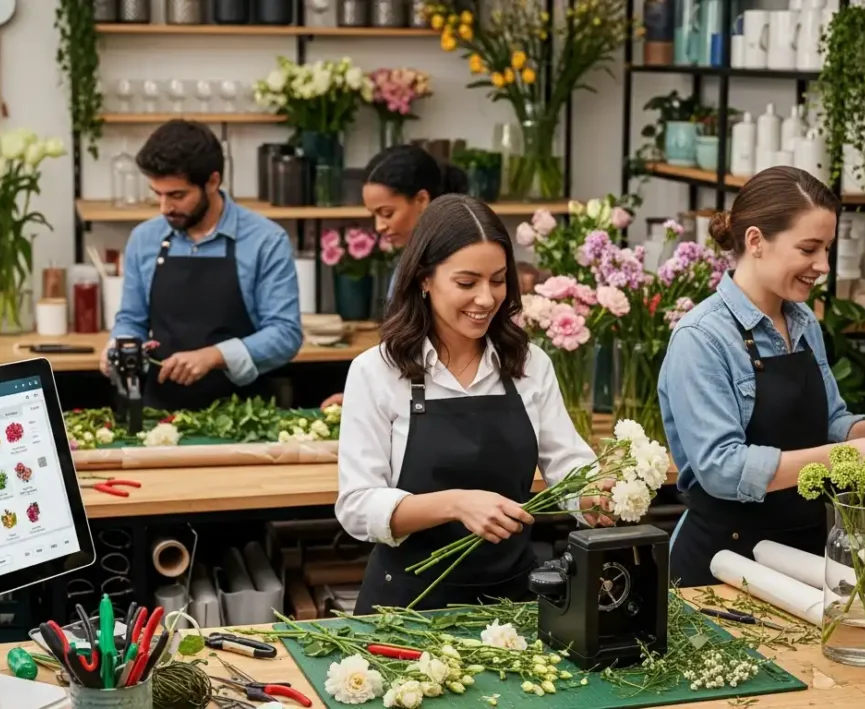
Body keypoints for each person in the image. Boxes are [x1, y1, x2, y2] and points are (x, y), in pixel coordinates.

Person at [335, 195, 604, 613]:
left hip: (512, 603)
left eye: (497, 280)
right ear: (424, 279)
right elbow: (356, 506)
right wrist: (456, 503)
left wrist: (598, 498)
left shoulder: (529, 364)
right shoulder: (378, 371)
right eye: (467, 283)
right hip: (406, 609)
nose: (485, 298)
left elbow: (568, 467)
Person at [658, 166, 865, 588]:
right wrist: (847, 457)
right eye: (809, 249)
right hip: (720, 566)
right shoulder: (701, 338)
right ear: (755, 241)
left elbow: (829, 423)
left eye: (826, 249)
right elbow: (722, 469)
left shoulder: (804, 322)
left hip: (804, 558)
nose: (823, 265)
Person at [103, 120, 303, 410]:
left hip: (244, 415)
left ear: (212, 182)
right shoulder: (144, 239)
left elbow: (285, 334)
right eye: (157, 194)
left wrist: (213, 356)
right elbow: (132, 320)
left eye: (177, 195)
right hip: (159, 415)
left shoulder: (265, 240)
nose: (164, 208)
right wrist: (118, 345)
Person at [319, 145, 469, 409]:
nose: (379, 226)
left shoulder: (458, 263)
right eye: (373, 215)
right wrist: (367, 395)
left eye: (387, 213)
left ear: (422, 200)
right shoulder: (407, 263)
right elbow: (402, 351)